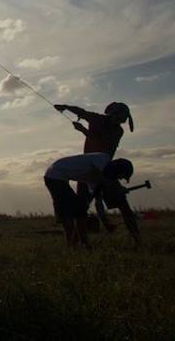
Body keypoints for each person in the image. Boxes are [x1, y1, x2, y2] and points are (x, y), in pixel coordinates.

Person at [56, 101, 134, 232]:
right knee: (81, 208)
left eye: (123, 117)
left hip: (105, 169)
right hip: (88, 169)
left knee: (122, 206)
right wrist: (66, 107)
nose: (122, 120)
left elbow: (103, 142)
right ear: (114, 114)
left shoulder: (117, 131)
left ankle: (136, 239)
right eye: (121, 116)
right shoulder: (98, 119)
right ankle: (82, 241)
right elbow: (81, 112)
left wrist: (83, 130)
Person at [43, 152, 139, 249]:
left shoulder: (96, 177)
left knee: (80, 211)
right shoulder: (102, 159)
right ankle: (74, 245)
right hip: (54, 175)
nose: (119, 179)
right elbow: (109, 182)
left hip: (59, 176)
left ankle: (82, 243)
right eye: (120, 176)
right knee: (68, 212)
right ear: (116, 170)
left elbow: (98, 201)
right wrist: (118, 189)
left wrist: (106, 223)